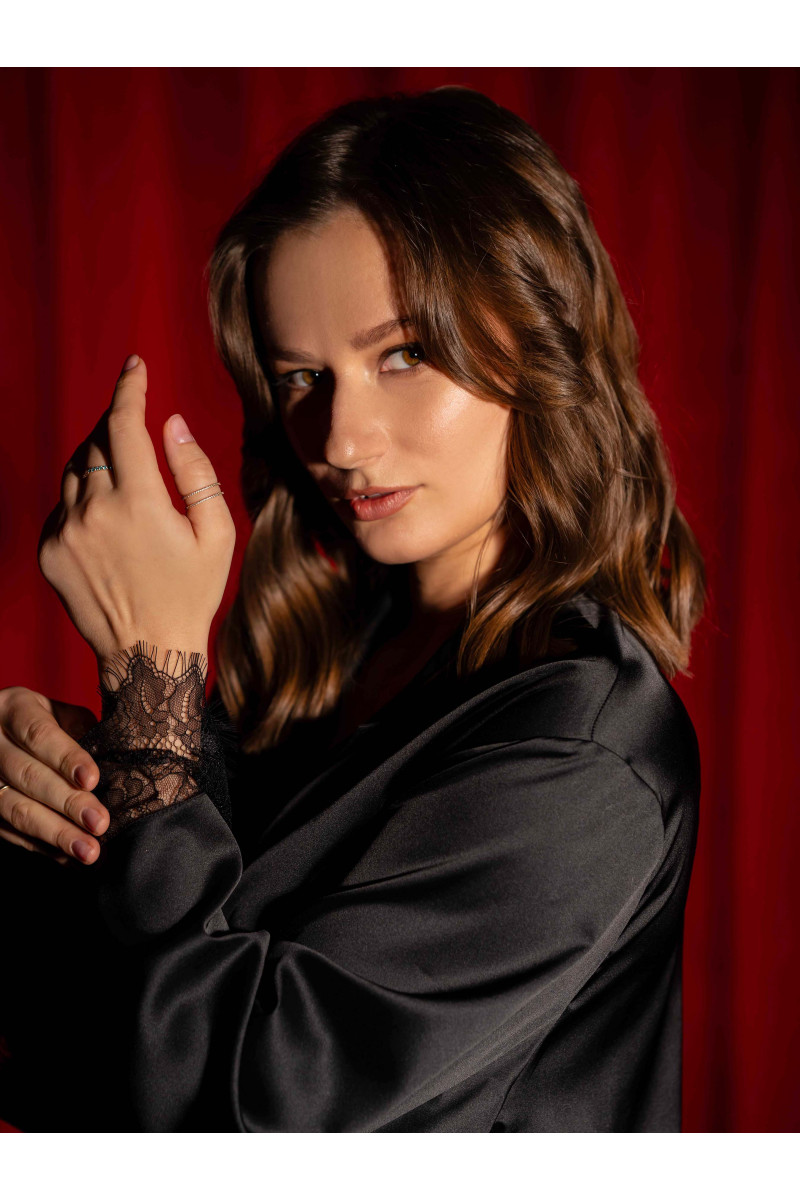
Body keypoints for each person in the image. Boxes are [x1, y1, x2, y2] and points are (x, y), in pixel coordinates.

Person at [0, 85, 706, 1132]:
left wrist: (151, 671)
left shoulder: (582, 747)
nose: (337, 440)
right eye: (301, 377)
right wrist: (59, 817)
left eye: (404, 354)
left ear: (537, 335)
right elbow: (93, 1053)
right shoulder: (343, 649)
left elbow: (229, 1117)